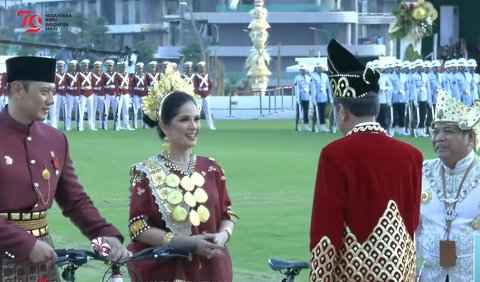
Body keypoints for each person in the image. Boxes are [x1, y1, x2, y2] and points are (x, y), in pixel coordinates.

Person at [0, 56, 130, 281]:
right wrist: (24, 242)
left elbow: (75, 200)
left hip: (41, 258)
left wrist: (104, 234)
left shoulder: (55, 139)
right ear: (18, 89)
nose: (51, 100)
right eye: (44, 92)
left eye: (53, 91)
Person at [309, 40, 423, 281]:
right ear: (377, 109)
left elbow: (326, 233)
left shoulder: (334, 155)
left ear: (342, 111)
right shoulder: (412, 156)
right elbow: (411, 227)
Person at [127, 65, 238, 281]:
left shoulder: (212, 168)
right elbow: (138, 227)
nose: (193, 126)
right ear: (164, 126)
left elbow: (228, 214)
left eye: (196, 119)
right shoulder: (145, 173)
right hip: (169, 270)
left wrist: (222, 236)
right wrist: (186, 243)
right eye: (184, 119)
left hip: (213, 268)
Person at [416, 91, 480, 281]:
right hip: (428, 277)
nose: (439, 138)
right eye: (435, 131)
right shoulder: (421, 172)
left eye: (448, 131)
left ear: (470, 138)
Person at [193, 61, 216, 130]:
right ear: (199, 68)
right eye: (200, 67)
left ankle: (211, 126)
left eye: (203, 67)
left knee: (207, 111)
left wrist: (207, 91)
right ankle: (197, 126)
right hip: (199, 96)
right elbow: (195, 86)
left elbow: (210, 85)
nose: (202, 69)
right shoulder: (196, 76)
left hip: (206, 95)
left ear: (204, 68)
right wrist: (198, 91)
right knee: (198, 112)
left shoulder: (207, 76)